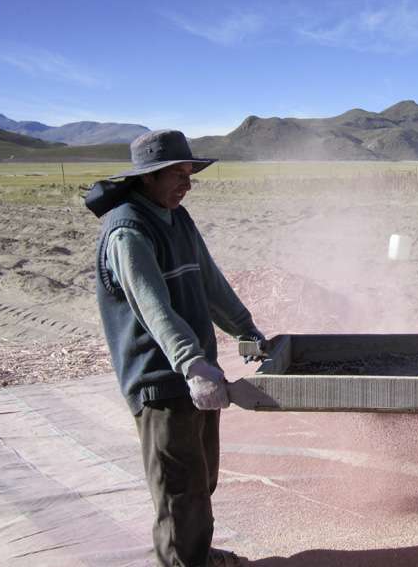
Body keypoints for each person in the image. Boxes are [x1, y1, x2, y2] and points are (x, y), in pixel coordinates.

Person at [86, 129, 263, 567]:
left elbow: (210, 282)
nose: (187, 184)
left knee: (201, 477)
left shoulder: (177, 217)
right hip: (161, 379)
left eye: (190, 174)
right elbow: (153, 308)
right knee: (179, 488)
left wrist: (246, 330)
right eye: (177, 174)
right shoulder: (128, 229)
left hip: (196, 371)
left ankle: (196, 554)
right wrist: (192, 364)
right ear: (147, 177)